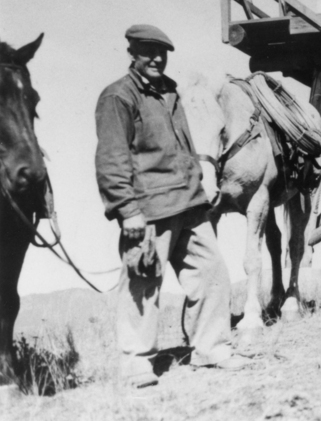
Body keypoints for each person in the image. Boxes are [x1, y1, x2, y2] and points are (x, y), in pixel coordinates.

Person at [94, 25, 249, 388]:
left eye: (162, 52)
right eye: (148, 51)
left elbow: (185, 144)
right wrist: (127, 209)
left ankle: (211, 348)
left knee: (213, 274)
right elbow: (111, 159)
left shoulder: (170, 91)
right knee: (143, 283)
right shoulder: (118, 96)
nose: (157, 58)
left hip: (189, 203)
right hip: (148, 209)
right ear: (131, 51)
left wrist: (199, 184)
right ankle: (136, 362)